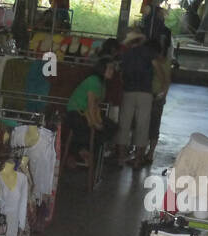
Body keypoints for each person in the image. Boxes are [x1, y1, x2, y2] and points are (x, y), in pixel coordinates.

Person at [115, 30, 157, 167]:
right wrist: (161, 87)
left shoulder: (125, 54)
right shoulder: (149, 53)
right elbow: (158, 69)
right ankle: (138, 160)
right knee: (142, 126)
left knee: (124, 126)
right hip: (146, 93)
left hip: (129, 92)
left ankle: (121, 158)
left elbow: (121, 74)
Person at [64, 57, 113, 167]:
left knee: (111, 127)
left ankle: (85, 152)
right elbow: (91, 104)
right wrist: (95, 122)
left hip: (87, 113)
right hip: (75, 112)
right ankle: (80, 152)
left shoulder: (102, 84)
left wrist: (96, 121)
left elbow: (95, 105)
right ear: (102, 69)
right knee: (83, 126)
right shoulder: (94, 80)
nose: (112, 71)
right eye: (109, 68)